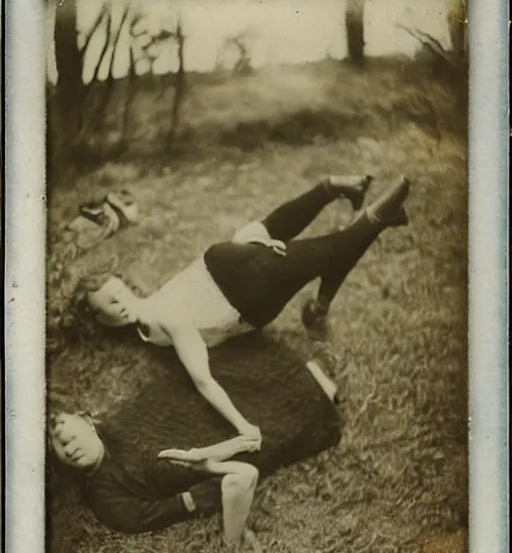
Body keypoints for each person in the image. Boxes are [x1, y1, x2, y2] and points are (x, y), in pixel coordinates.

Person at [85, 174, 411, 443]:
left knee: (336, 248)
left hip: (246, 292)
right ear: (103, 321)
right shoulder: (152, 314)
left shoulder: (160, 318)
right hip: (225, 264)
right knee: (263, 231)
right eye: (107, 306)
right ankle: (336, 190)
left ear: (125, 285)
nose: (118, 305)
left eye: (116, 293)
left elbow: (203, 380)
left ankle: (378, 217)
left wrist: (242, 427)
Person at [49, 332, 342, 547]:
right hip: (206, 457)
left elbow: (163, 397)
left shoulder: (116, 422)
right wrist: (212, 489)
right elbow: (164, 510)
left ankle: (303, 370)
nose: (68, 448)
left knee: (233, 378)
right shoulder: (105, 496)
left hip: (193, 413)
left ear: (86, 420)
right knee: (279, 427)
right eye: (60, 449)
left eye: (67, 436)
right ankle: (316, 381)